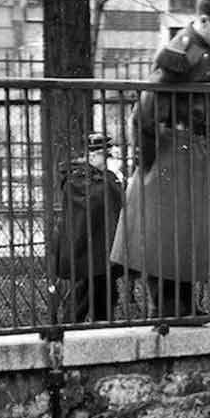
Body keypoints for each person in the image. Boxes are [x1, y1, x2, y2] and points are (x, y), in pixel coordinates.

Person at [109, 0, 210, 320]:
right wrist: (149, 158)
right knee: (165, 234)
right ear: (206, 19)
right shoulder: (183, 51)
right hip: (172, 151)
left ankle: (183, 305)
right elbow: (145, 108)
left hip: (189, 150)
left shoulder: (203, 48)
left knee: (184, 233)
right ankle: (168, 309)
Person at [52, 131, 125, 323]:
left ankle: (103, 326)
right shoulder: (78, 177)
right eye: (105, 155)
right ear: (92, 155)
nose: (110, 159)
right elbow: (96, 200)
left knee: (105, 290)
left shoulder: (101, 176)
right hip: (86, 247)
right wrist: (112, 177)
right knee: (86, 292)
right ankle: (69, 328)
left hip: (101, 245)